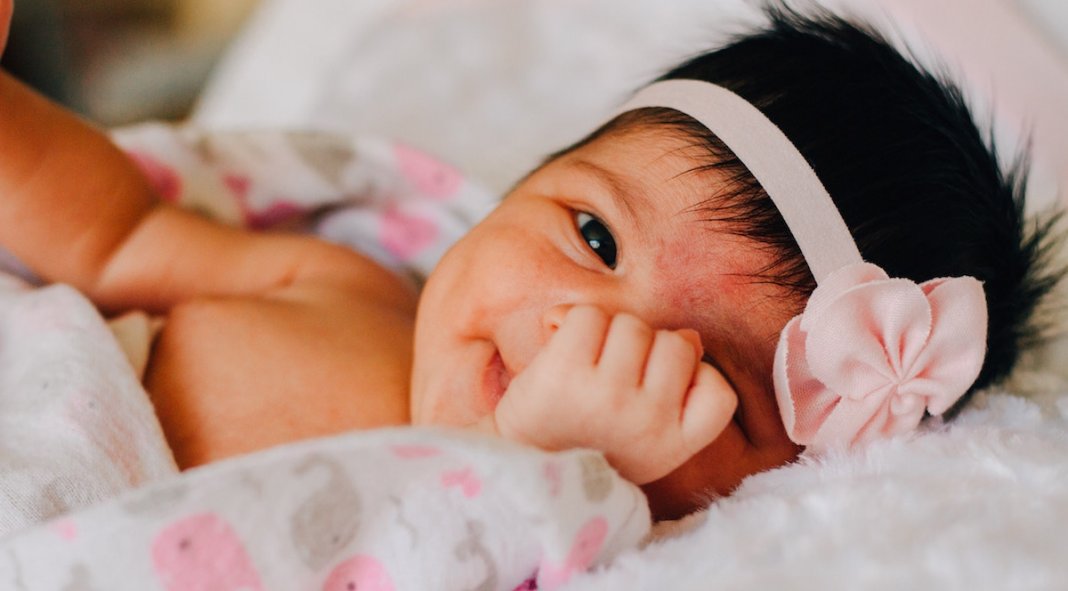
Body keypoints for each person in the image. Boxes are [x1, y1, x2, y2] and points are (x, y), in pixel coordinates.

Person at [0, 1, 1058, 522]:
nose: (586, 338)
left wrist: (533, 467)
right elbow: (114, 234)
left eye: (703, 380)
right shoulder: (339, 288)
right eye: (594, 238)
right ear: (517, 188)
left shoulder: (567, 544)